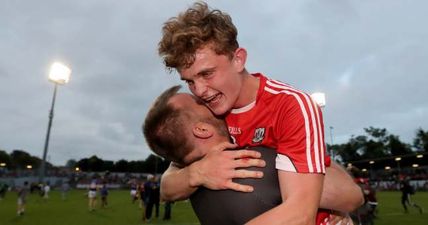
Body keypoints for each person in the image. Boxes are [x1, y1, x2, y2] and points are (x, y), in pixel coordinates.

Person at [157, 2, 362, 224]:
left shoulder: (289, 105)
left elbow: (300, 214)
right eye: (189, 81)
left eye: (207, 74)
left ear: (238, 59)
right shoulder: (207, 112)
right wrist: (197, 173)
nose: (200, 90)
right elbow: (167, 186)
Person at [144, 86, 363, 224]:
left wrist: (194, 173)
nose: (204, 94)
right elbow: (351, 195)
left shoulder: (191, 171)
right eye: (200, 103)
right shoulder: (256, 162)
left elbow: (166, 187)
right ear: (201, 130)